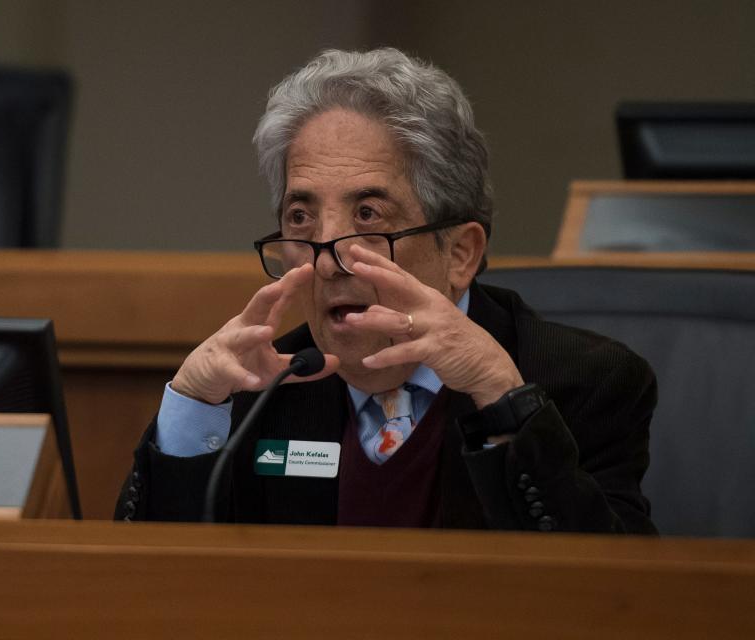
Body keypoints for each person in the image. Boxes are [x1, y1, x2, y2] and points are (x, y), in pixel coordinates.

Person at [115, 48, 657, 533]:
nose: (328, 258)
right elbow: (155, 590)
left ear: (461, 252)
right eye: (300, 217)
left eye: (368, 214)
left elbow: (616, 594)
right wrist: (189, 411)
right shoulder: (264, 391)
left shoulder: (581, 382)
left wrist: (503, 406)